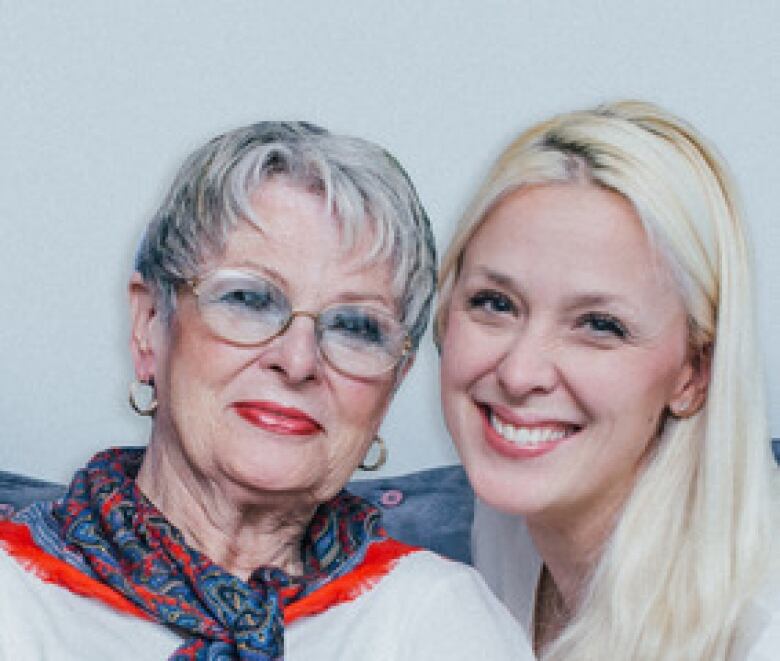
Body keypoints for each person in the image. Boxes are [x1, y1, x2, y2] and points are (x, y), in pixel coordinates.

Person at [0, 122, 531, 660]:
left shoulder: (437, 617)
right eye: (250, 300)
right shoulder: (13, 597)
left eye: (356, 328)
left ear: (394, 381)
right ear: (150, 321)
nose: (298, 360)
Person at [435, 101, 780, 659]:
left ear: (694, 373)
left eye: (599, 325)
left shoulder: (761, 633)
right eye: (494, 303)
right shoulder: (505, 528)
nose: (520, 374)